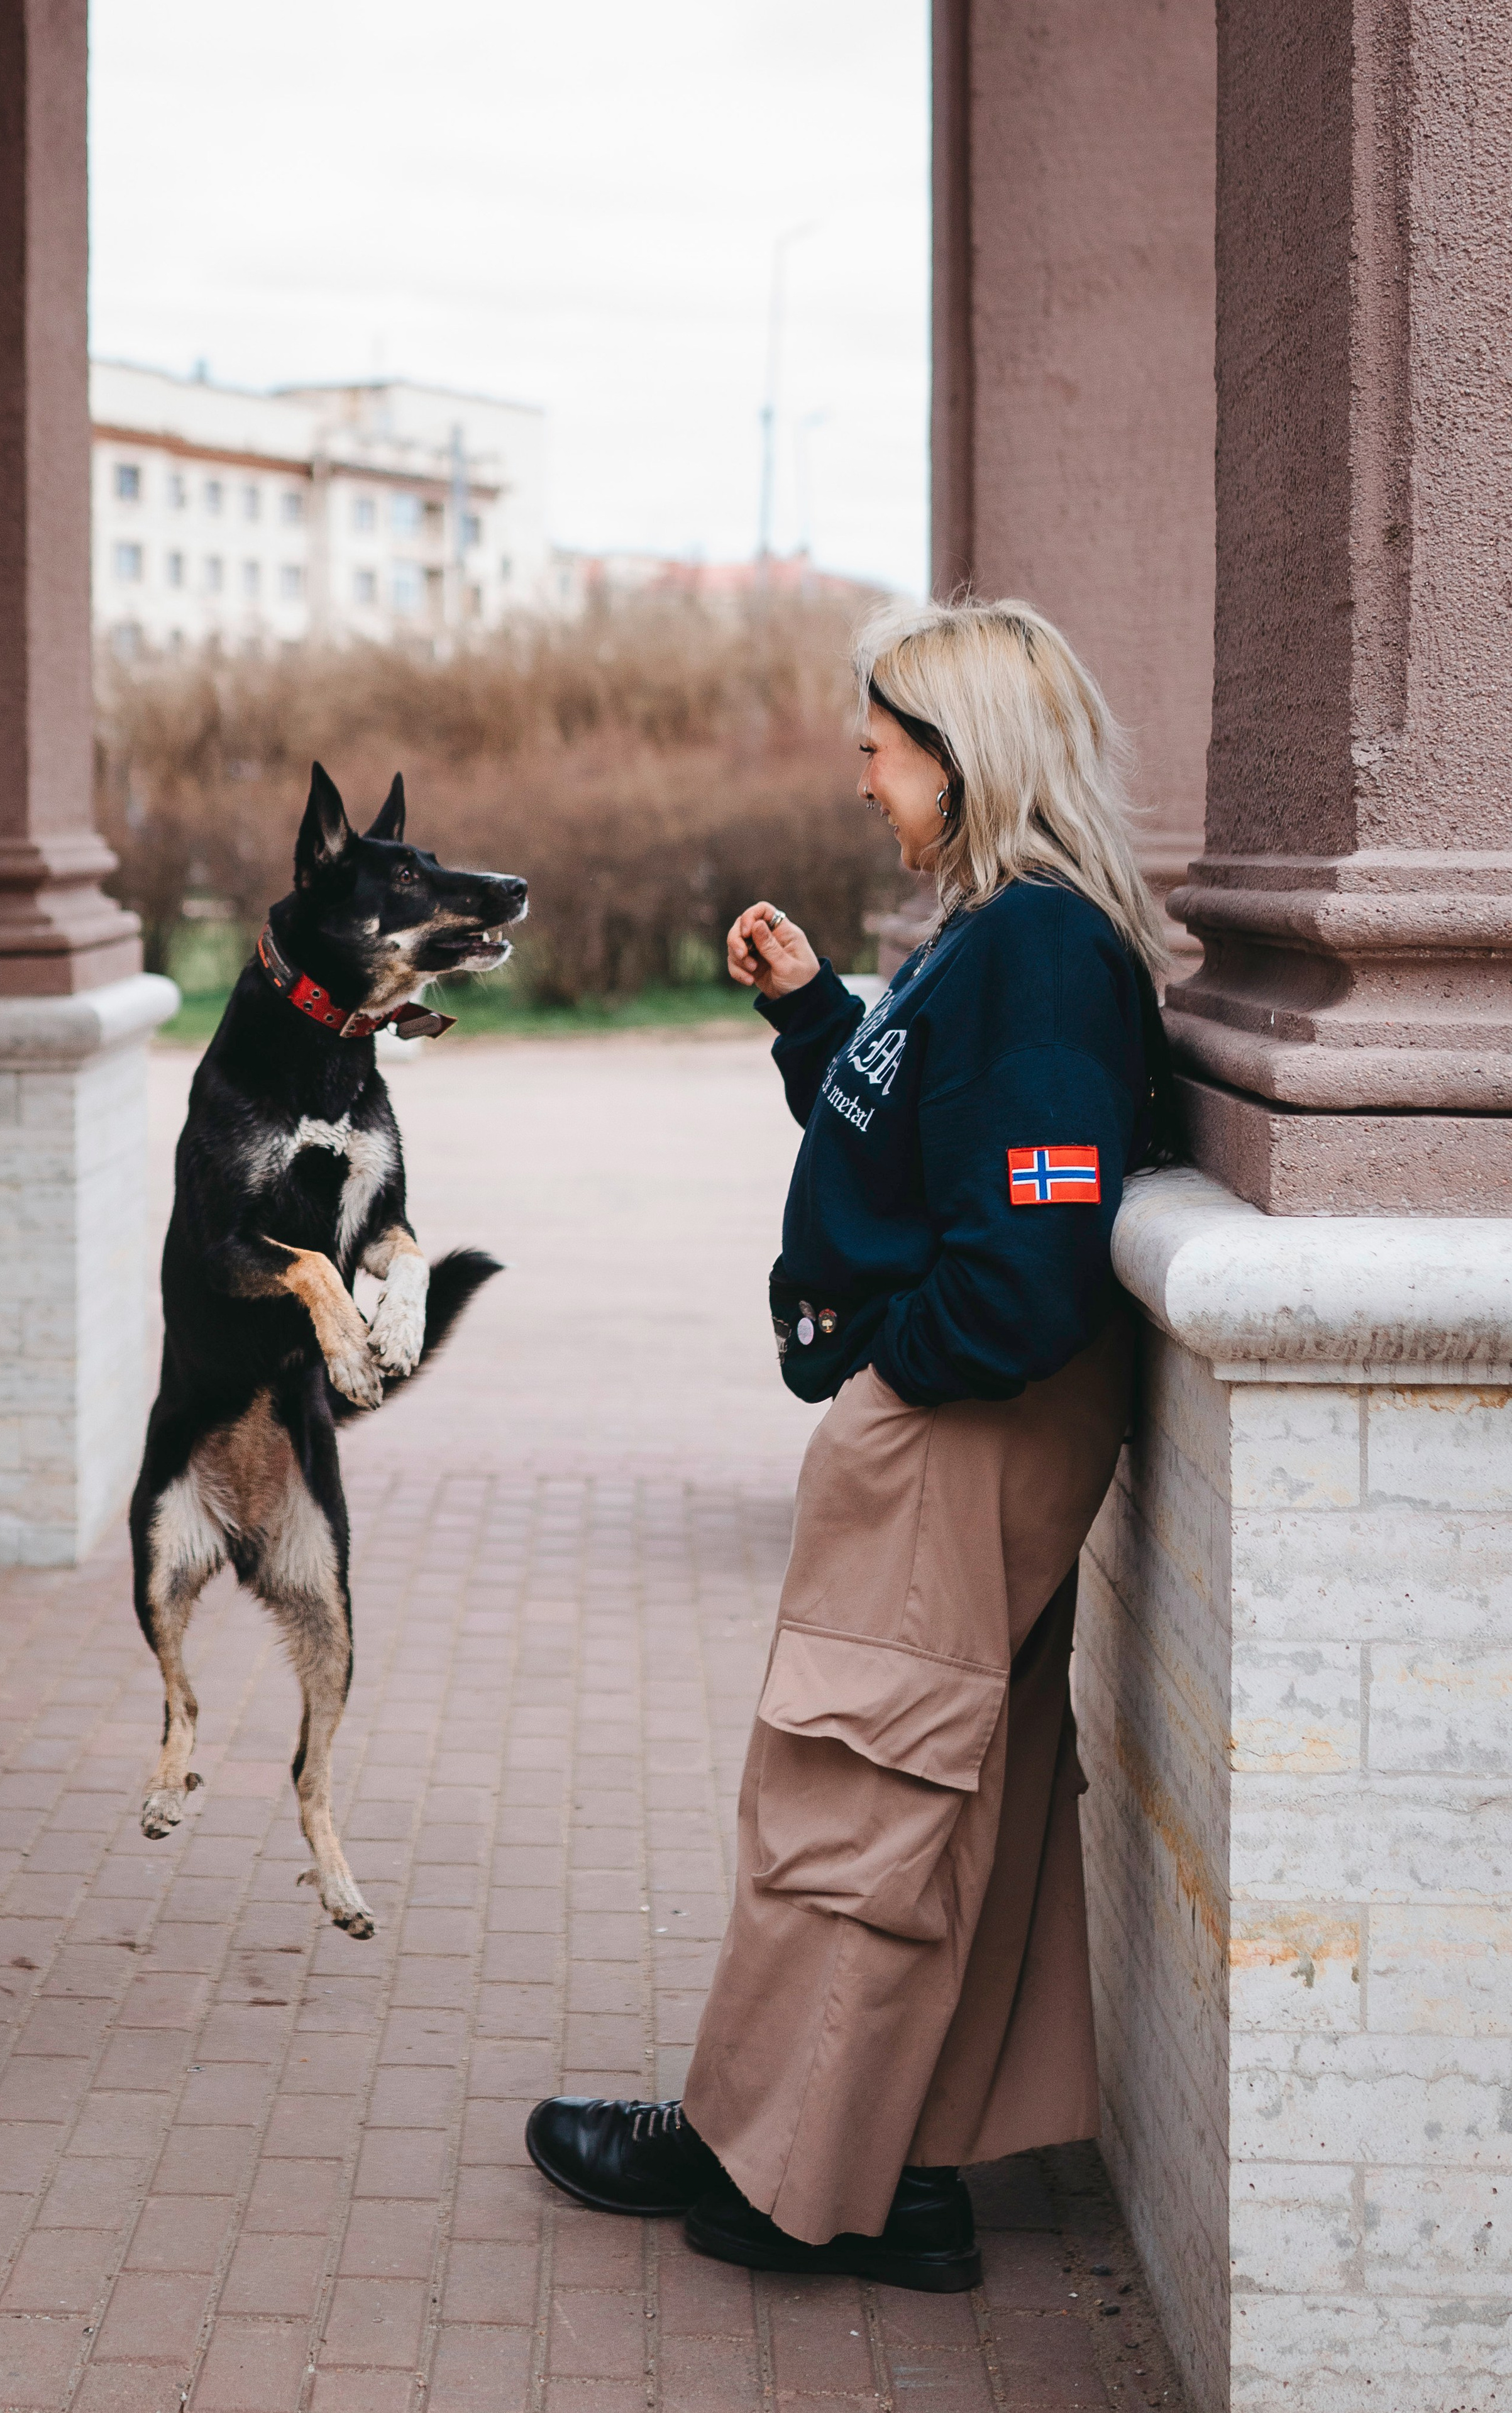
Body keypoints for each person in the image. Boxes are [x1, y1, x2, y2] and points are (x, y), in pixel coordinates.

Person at [524, 597, 1179, 2292]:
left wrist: (887, 1364)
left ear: (968, 757)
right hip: (964, 1429)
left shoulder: (1037, 951)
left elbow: (1026, 1259)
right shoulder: (995, 934)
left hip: (960, 1433)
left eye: (880, 748)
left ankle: (774, 2169)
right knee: (945, 1794)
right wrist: (821, 1014)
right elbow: (926, 1145)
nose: (861, 779)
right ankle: (897, 2164)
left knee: (855, 1792)